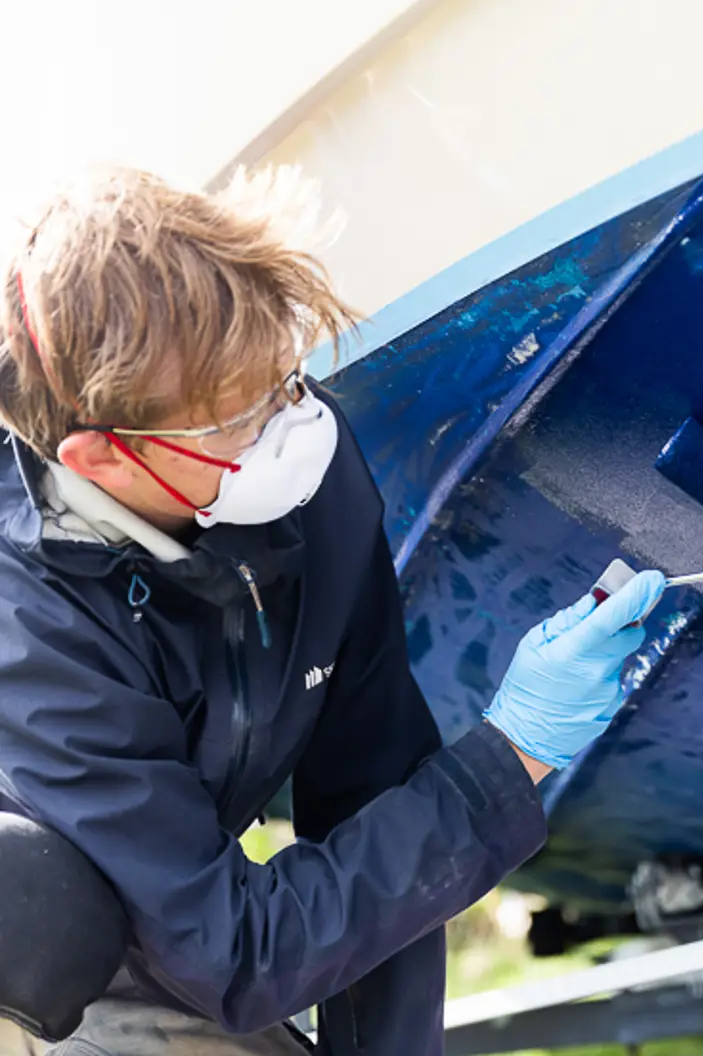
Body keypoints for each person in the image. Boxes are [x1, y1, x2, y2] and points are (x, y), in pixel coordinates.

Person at [0, 167, 665, 1055]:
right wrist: (516, 753)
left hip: (182, 922)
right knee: (44, 913)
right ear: (105, 461)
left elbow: (372, 798)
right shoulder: (32, 635)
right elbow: (233, 955)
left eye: (287, 381)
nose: (295, 429)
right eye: (238, 422)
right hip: (50, 948)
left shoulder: (303, 475)